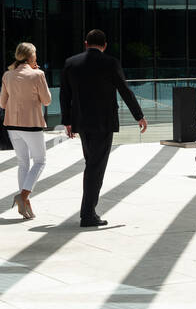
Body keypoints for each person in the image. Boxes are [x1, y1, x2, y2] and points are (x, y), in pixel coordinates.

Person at [59, 29, 148, 227]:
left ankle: (88, 211)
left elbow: (64, 95)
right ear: (105, 45)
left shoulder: (71, 63)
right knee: (95, 166)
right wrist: (139, 115)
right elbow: (125, 90)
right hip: (103, 122)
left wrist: (67, 121)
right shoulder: (110, 63)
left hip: (81, 122)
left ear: (85, 43)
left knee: (92, 162)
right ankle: (87, 214)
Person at [0, 42, 52, 219]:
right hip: (31, 124)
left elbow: (2, 103)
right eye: (35, 54)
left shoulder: (8, 75)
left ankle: (25, 204)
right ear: (31, 57)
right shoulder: (38, 74)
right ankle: (22, 196)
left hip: (12, 125)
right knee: (40, 161)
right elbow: (47, 101)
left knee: (23, 163)